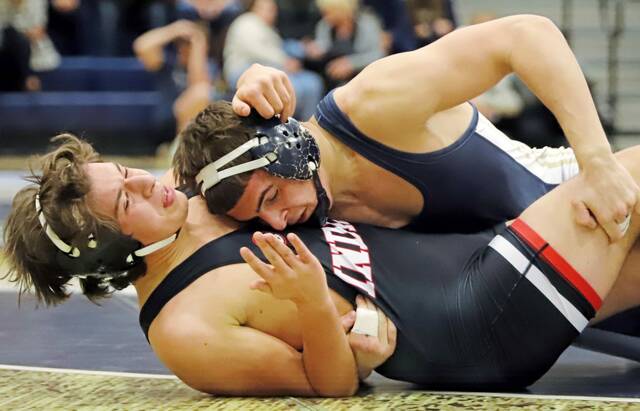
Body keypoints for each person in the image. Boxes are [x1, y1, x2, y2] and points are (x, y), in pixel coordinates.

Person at [4, 125, 640, 396]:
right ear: (113, 251)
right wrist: (312, 303)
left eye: (126, 172)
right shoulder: (184, 330)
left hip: (475, 256)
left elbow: (248, 137)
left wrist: (257, 89)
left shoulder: (192, 197)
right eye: (126, 199)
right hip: (472, 321)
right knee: (618, 185)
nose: (147, 182)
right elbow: (329, 385)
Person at [181, 15, 640, 241]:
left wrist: (596, 162)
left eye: (270, 198)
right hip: (571, 276)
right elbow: (163, 201)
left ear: (285, 146)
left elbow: (526, 35)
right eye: (261, 218)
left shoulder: (370, 106)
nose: (278, 223)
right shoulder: (309, 210)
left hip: (584, 195)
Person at [223, 0, 324, 121]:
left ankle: (307, 124)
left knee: (313, 81)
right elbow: (256, 50)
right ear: (254, 8)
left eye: (272, 10)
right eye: (264, 8)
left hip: (272, 68)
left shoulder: (270, 29)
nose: (269, 13)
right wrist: (285, 61)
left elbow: (279, 49)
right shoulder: (247, 21)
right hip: (243, 71)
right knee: (292, 88)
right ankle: (286, 125)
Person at [133, 19, 213, 141]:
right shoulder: (168, 65)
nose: (184, 47)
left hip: (193, 129)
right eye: (182, 42)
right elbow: (141, 46)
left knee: (200, 93)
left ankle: (183, 147)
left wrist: (198, 42)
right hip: (166, 123)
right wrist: (174, 30)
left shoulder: (210, 68)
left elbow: (198, 88)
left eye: (188, 43)